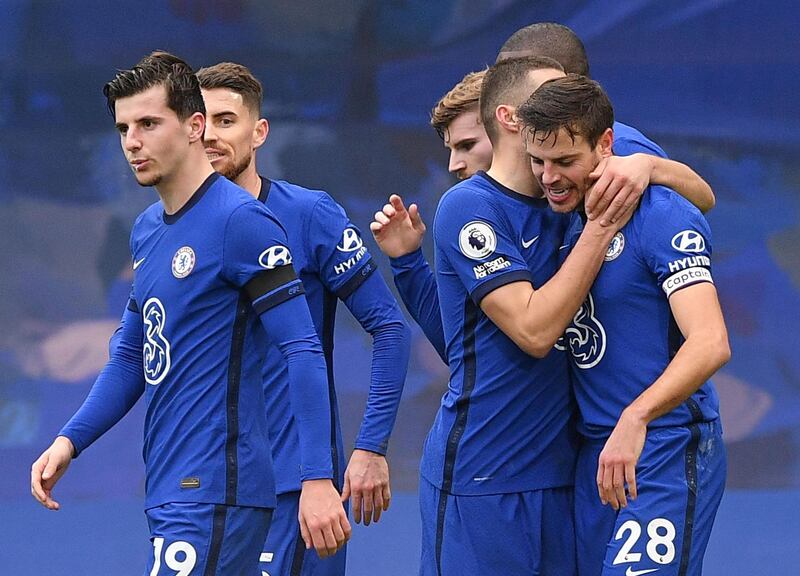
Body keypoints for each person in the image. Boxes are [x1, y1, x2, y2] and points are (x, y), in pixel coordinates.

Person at [30, 51, 350, 574]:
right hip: (170, 488)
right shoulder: (148, 230)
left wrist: (317, 477)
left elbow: (302, 348)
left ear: (194, 126)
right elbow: (133, 354)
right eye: (124, 127)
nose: (132, 141)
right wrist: (71, 439)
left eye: (149, 123)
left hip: (217, 488)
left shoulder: (242, 220)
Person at [372, 23, 715, 359]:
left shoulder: (614, 149)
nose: (454, 165)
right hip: (585, 414)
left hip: (652, 413)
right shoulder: (483, 204)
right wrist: (407, 263)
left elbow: (699, 201)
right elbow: (462, 345)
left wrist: (651, 166)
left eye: (469, 144)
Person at [417, 55, 631, 576]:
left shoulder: (573, 193)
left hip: (564, 476)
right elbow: (534, 331)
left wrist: (647, 167)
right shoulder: (470, 207)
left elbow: (703, 194)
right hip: (483, 475)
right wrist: (602, 228)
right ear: (513, 117)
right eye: (549, 94)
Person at [196, 61, 411, 576]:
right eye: (200, 122)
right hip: (203, 492)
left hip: (296, 493)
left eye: (226, 120)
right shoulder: (166, 231)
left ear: (259, 131)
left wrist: (370, 447)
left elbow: (390, 328)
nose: (210, 135)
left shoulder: (310, 214)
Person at [518, 74, 729, 576]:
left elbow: (712, 342)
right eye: (537, 162)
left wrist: (635, 418)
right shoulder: (560, 209)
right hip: (596, 456)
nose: (548, 177)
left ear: (607, 144)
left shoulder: (657, 213)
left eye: (565, 162)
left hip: (661, 445)